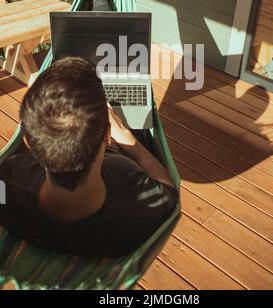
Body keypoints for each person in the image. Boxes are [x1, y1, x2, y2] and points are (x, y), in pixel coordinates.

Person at [0, 57, 178, 258]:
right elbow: (169, 189)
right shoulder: (134, 196)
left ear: (29, 142)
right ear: (107, 135)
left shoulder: (10, 182)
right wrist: (128, 138)